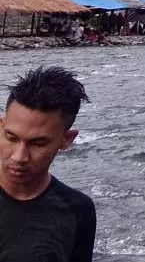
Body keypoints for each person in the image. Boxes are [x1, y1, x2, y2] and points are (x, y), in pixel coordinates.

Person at [0, 66, 96, 262]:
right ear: (1, 126)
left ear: (66, 139)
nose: (19, 157)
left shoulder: (77, 211)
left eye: (38, 143)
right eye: (11, 138)